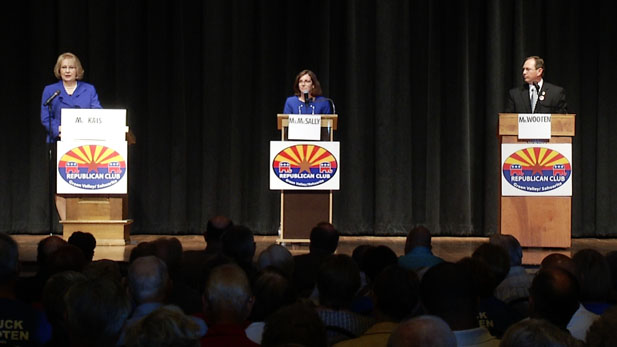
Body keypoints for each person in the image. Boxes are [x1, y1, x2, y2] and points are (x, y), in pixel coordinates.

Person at [41, 52, 102, 143]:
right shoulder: (50, 90)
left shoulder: (89, 89)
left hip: (84, 140)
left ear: (77, 70)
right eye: (64, 67)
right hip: (58, 140)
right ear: (59, 70)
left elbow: (97, 113)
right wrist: (58, 130)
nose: (67, 71)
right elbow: (46, 118)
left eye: (71, 67)